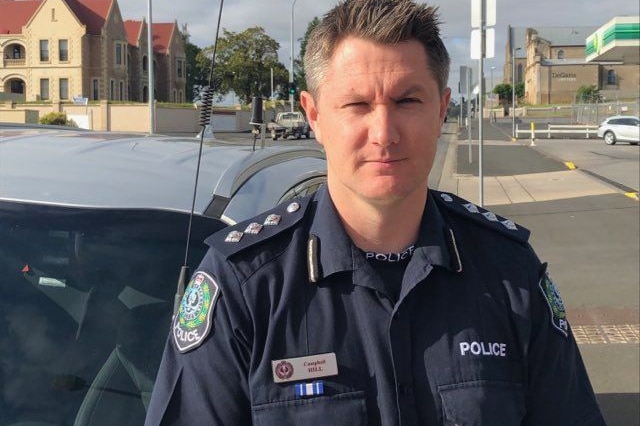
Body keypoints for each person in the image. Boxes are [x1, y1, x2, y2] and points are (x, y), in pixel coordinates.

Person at [145, 0, 605, 425]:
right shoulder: (242, 289)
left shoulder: (510, 275)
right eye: (358, 104)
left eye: (407, 100)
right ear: (315, 116)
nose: (384, 133)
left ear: (442, 109)